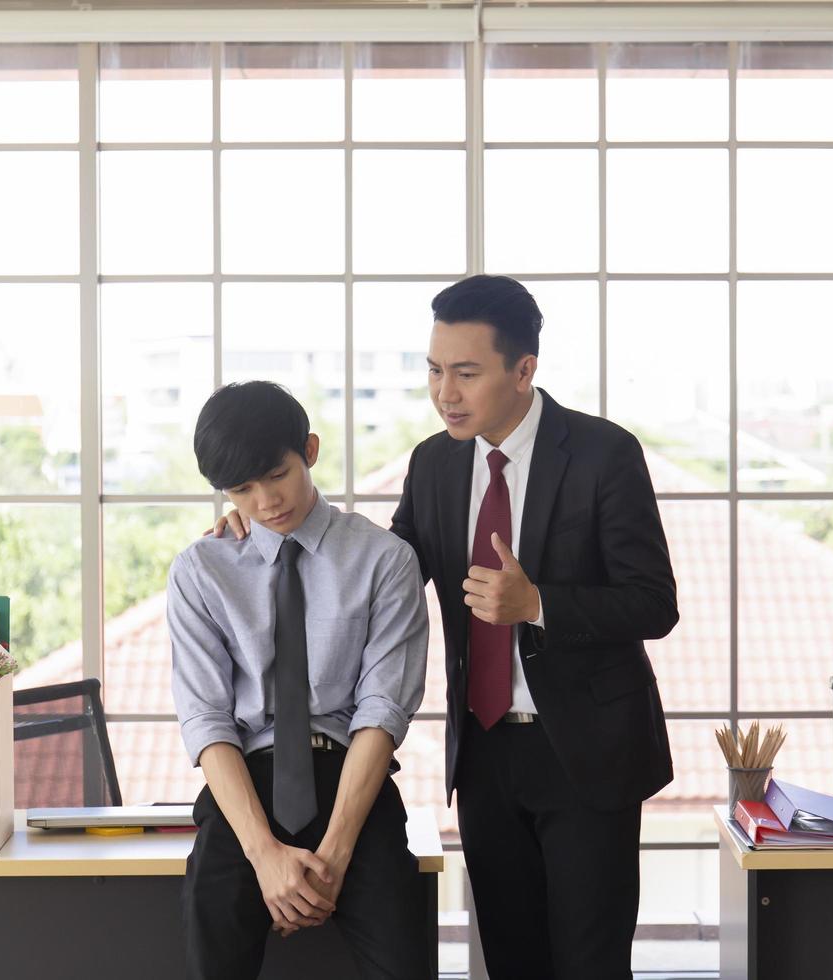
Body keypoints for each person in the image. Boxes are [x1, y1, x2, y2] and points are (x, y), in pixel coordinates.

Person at [213, 276, 679, 979]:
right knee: (511, 960)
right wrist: (263, 521)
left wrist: (539, 604)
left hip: (587, 754)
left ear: (524, 371)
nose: (445, 393)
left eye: (466, 373)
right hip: (486, 755)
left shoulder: (603, 454)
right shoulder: (434, 462)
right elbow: (378, 569)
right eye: (434, 370)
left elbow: (654, 602)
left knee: (590, 963)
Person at [171, 380, 430, 980]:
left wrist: (333, 858)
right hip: (246, 788)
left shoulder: (385, 560)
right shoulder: (200, 571)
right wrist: (265, 857)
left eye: (276, 474)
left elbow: (382, 712)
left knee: (405, 961)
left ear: (309, 450)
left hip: (352, 785)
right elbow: (207, 720)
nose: (265, 502)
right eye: (241, 489)